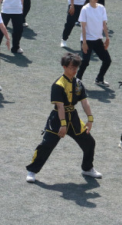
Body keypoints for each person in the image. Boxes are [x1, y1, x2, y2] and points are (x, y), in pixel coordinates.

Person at [25, 53, 100, 184]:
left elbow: (84, 102)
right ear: (64, 67)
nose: (75, 70)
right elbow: (60, 106)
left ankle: (87, 168)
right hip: (57, 120)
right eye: (72, 67)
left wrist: (90, 119)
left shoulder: (78, 83)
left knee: (89, 142)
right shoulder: (58, 84)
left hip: (74, 118)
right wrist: (63, 125)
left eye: (76, 67)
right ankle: (32, 170)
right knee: (46, 144)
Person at [76, 0, 111, 87]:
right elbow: (83, 27)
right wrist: (84, 42)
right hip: (87, 40)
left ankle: (99, 79)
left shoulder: (101, 8)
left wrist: (107, 38)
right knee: (85, 61)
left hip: (98, 40)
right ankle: (77, 80)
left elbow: (104, 24)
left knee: (107, 60)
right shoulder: (85, 9)